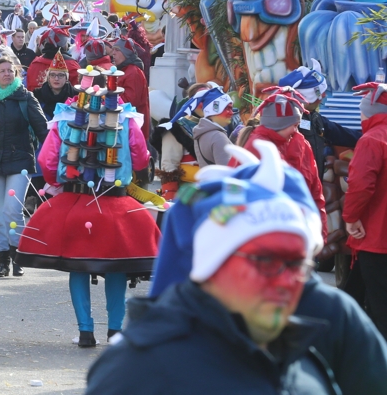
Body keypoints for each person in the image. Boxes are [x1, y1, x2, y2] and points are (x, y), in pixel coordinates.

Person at [88, 141, 336, 394]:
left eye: (298, 264)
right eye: (266, 261)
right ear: (213, 264)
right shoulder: (136, 372)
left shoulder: (306, 361)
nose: (288, 281)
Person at [17, 69, 158, 347]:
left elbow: (46, 161)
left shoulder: (65, 118)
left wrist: (56, 184)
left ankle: (85, 331)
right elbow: (141, 159)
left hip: (75, 201)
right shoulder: (127, 118)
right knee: (116, 265)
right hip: (116, 204)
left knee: (77, 265)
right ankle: (115, 331)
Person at [0, 56, 49, 278]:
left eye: (10, 71)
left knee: (12, 210)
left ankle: (19, 257)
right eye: (2, 71)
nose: (7, 73)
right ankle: (3, 261)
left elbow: (43, 129)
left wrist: (54, 156)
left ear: (16, 75)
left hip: (20, 162)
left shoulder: (25, 98)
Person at [244, 88, 327, 242]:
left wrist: (319, 229)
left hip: (297, 233)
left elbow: (314, 189)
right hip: (268, 239)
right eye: (294, 125)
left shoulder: (301, 142)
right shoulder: (257, 147)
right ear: (278, 124)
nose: (297, 130)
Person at [343, 81, 387, 337]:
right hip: (375, 236)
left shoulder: (371, 140)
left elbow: (360, 185)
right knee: (357, 295)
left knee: (379, 305)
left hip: (375, 236)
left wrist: (351, 217)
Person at [278, 64, 359, 176]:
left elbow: (341, 134)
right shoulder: (283, 124)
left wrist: (369, 137)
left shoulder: (315, 118)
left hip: (314, 184)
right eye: (319, 93)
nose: (324, 96)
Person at [110, 37, 150, 135]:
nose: (113, 53)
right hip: (127, 125)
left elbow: (130, 102)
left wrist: (108, 96)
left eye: (117, 50)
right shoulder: (125, 69)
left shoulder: (133, 72)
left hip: (133, 128)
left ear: (126, 53)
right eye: (113, 49)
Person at [191, 89, 235, 167]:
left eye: (231, 108)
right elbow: (226, 172)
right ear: (214, 110)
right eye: (227, 108)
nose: (232, 113)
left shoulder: (201, 132)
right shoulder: (218, 136)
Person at [32, 51, 77, 119]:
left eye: (60, 75)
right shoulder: (37, 94)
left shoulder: (75, 94)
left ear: (66, 78)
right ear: (48, 77)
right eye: (52, 75)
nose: (56, 78)